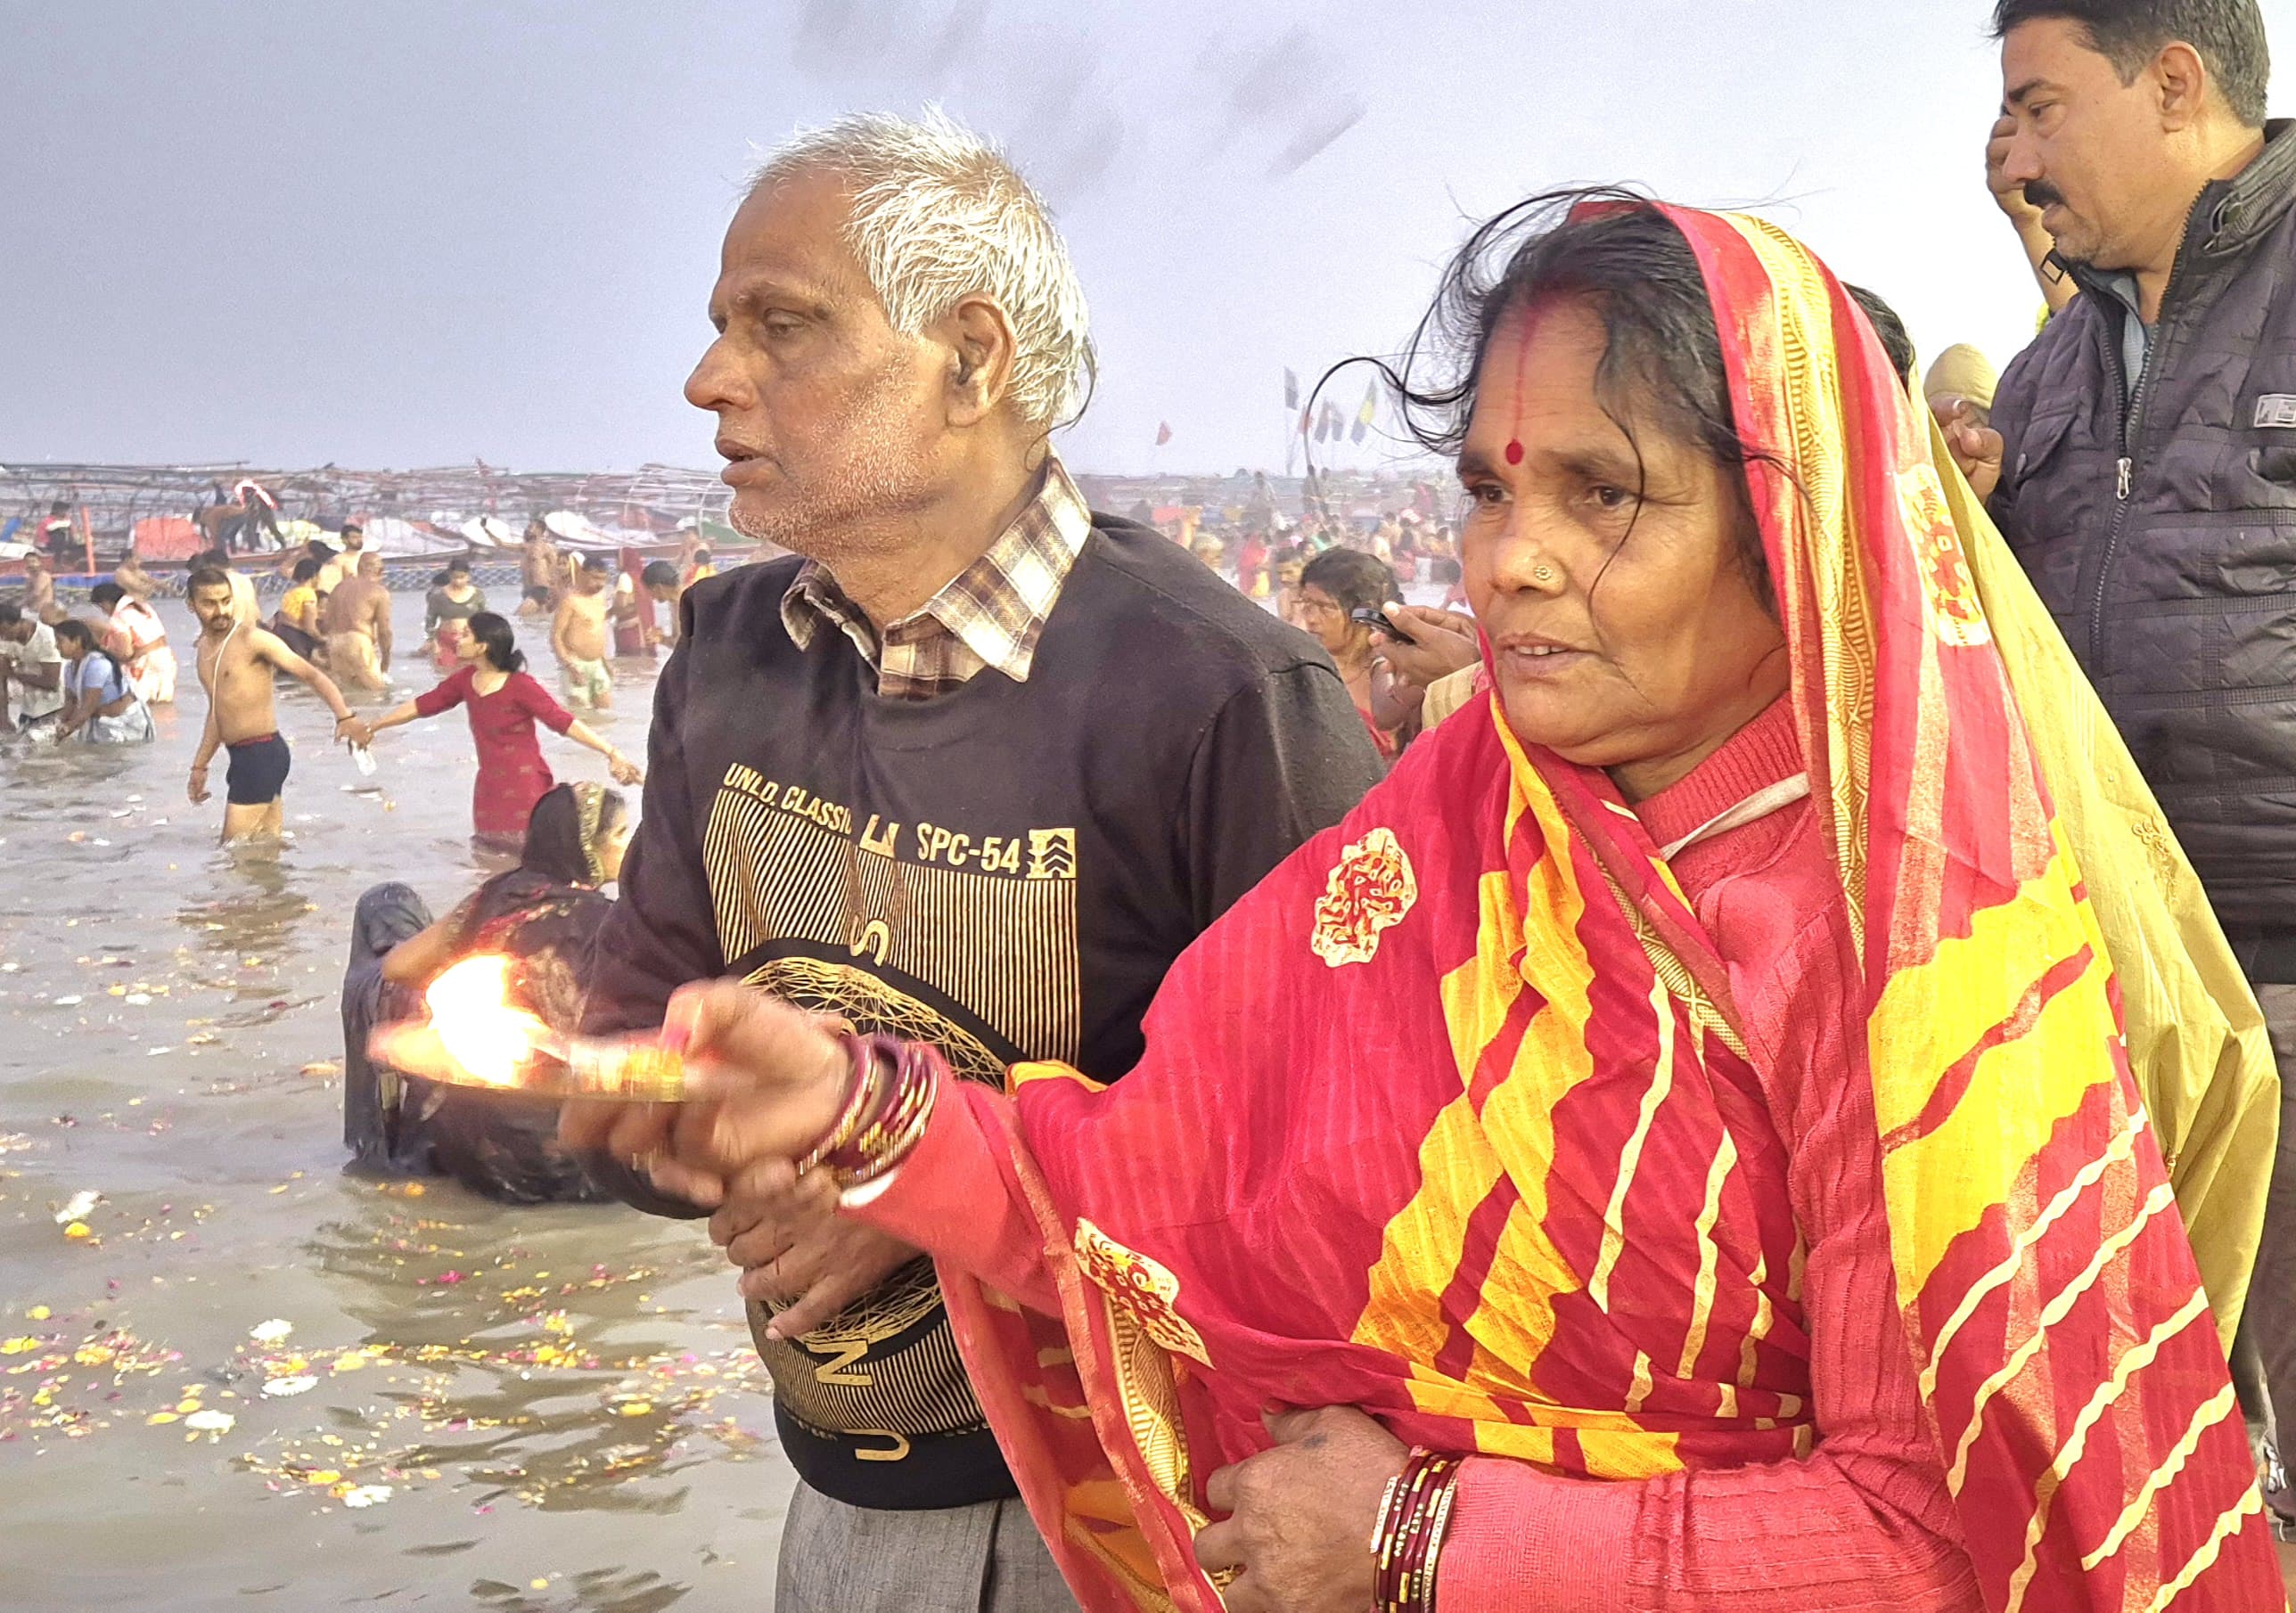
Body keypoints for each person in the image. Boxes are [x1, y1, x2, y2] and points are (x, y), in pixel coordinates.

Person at [538, 196, 2286, 1613]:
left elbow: (1971, 1546)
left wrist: (1421, 1540)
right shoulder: (1460, 825)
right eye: (1489, 488)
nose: (1510, 556)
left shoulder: (1914, 945)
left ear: (1790, 526)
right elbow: (1146, 1187)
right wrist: (863, 1110)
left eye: (1602, 492)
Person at [560, 110, 1381, 1613]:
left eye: (783, 326)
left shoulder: (1221, 695)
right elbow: (640, 1017)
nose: (710, 379)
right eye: (723, 326)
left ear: (972, 357)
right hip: (835, 1500)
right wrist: (680, 1123)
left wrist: (917, 1179)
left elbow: (1343, 1176)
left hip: (1129, 1520)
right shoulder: (728, 649)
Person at [1946, 0, 2296, 1508]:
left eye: (2041, 106)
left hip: (2281, 977)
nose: (2020, 157)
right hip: (2116, 989)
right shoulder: (2050, 378)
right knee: (2167, 1460)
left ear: (2171, 84)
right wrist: (1966, 515)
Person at [346, 783, 630, 1202]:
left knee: (386, 909)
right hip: (590, 1171)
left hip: (480, 1159)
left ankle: (379, 1146)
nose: (631, 846)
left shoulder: (494, 899)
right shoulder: (616, 924)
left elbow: (396, 968)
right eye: (621, 834)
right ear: (587, 848)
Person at [351, 611, 640, 848]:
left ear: (483, 646)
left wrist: (610, 752)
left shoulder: (521, 686)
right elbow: (424, 704)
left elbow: (563, 722)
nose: (458, 639)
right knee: (488, 855)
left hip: (526, 785)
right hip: (489, 788)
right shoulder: (466, 680)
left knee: (532, 853)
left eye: (466, 634)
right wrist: (375, 725)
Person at [184, 566, 357, 842]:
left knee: (232, 850)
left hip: (262, 754)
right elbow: (217, 713)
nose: (220, 611)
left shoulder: (253, 639)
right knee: (265, 847)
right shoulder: (204, 649)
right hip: (241, 757)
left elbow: (311, 674)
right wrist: (199, 766)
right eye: (209, 604)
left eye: (225, 601)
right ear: (191, 605)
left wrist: (344, 717)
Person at [1297, 546, 1406, 761]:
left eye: (1326, 607)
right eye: (1306, 604)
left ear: (1363, 612)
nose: (1311, 619)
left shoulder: (1388, 670)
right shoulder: (1302, 667)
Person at [52, 618, 154, 743]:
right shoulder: (69, 668)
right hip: (99, 721)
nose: (56, 646)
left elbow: (88, 707)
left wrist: (68, 727)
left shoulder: (97, 665)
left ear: (77, 641)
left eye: (60, 641)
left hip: (122, 723)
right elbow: (71, 702)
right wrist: (56, 723)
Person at [89, 581, 176, 705]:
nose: (103, 611)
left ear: (105, 603)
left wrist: (101, 648)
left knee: (141, 706)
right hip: (165, 657)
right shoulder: (144, 608)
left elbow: (125, 654)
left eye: (101, 607)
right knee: (163, 706)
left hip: (144, 665)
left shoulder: (118, 619)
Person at [322, 550, 395, 692]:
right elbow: (384, 631)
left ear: (358, 568)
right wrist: (386, 660)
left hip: (335, 643)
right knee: (378, 693)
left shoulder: (339, 587)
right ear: (380, 571)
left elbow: (326, 622)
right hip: (358, 642)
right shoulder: (379, 592)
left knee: (347, 695)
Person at [551, 553, 613, 709]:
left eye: (603, 579)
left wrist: (606, 663)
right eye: (595, 578)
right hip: (576, 664)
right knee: (580, 714)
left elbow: (598, 631)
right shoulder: (570, 601)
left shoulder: (600, 598)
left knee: (605, 713)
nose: (600, 584)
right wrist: (569, 666)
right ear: (582, 574)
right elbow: (556, 636)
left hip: (598, 663)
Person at [0, 602, 66, 733]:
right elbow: (2, 679)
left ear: (19, 622)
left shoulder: (46, 637)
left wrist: (13, 674)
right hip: (27, 708)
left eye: (5, 631)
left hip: (55, 707)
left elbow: (51, 682)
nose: (3, 637)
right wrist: (3, 719)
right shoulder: (4, 640)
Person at [424, 558, 488, 672]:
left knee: (471, 673)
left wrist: (485, 640)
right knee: (446, 673)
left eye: (462, 577)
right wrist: (432, 641)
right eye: (455, 577)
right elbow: (430, 620)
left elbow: (485, 619)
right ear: (449, 575)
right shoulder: (438, 595)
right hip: (445, 641)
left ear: (468, 576)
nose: (458, 581)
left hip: (469, 639)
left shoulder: (477, 594)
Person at [272, 556, 326, 659]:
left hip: (280, 633)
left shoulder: (289, 593)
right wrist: (322, 639)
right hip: (296, 640)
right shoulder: (308, 594)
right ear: (314, 576)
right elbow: (309, 627)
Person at [519, 520, 561, 616]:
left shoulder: (545, 548)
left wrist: (553, 588)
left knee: (519, 616)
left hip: (541, 590)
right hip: (529, 590)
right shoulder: (526, 555)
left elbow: (554, 567)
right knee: (539, 617)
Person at [640, 561, 683, 650]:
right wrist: (661, 639)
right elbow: (679, 643)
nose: (652, 598)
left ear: (658, 587)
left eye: (650, 592)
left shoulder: (688, 601)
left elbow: (687, 645)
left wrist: (662, 639)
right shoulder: (674, 602)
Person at [16, 549, 62, 626]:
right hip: (33, 612)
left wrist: (20, 604)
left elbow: (36, 593)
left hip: (43, 614)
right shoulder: (30, 577)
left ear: (39, 562)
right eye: (28, 562)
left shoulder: (43, 575)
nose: (31, 564)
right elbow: (27, 594)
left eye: (33, 561)